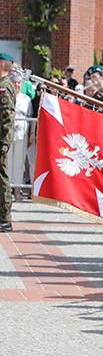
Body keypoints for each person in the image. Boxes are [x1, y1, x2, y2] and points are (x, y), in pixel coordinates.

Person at [0, 54, 17, 231]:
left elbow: (7, 116)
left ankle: (5, 217)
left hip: (1, 139)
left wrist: (2, 141)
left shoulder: (4, 86)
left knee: (1, 178)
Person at [9, 72, 29, 202]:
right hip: (7, 134)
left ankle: (17, 191)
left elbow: (30, 116)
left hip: (22, 134)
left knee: (18, 164)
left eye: (18, 82)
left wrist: (31, 134)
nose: (16, 84)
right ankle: (7, 191)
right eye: (14, 82)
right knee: (7, 163)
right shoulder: (5, 95)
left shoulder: (26, 99)